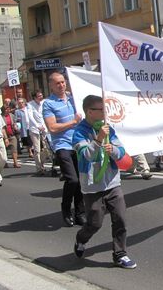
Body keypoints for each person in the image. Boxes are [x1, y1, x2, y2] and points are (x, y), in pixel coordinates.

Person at [72, 95, 137, 269]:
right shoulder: (79, 132)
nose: (104, 112)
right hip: (93, 186)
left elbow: (121, 150)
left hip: (112, 183)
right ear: (89, 111)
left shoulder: (109, 129)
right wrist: (99, 139)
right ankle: (81, 239)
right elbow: (86, 155)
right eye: (101, 109)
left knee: (120, 219)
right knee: (94, 223)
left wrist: (113, 150)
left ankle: (120, 254)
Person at [43, 72, 85, 227]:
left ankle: (80, 213)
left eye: (62, 82)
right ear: (51, 85)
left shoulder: (74, 99)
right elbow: (52, 127)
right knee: (72, 179)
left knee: (81, 180)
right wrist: (73, 122)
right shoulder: (48, 103)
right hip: (62, 145)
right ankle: (66, 209)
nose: (61, 85)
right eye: (57, 83)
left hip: (78, 143)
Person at [27, 90, 48, 175]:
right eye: (39, 96)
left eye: (41, 95)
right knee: (37, 149)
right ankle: (39, 168)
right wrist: (37, 125)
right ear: (35, 97)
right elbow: (30, 116)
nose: (41, 97)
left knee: (46, 149)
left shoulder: (44, 103)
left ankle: (42, 163)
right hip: (34, 129)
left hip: (44, 128)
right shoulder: (30, 105)